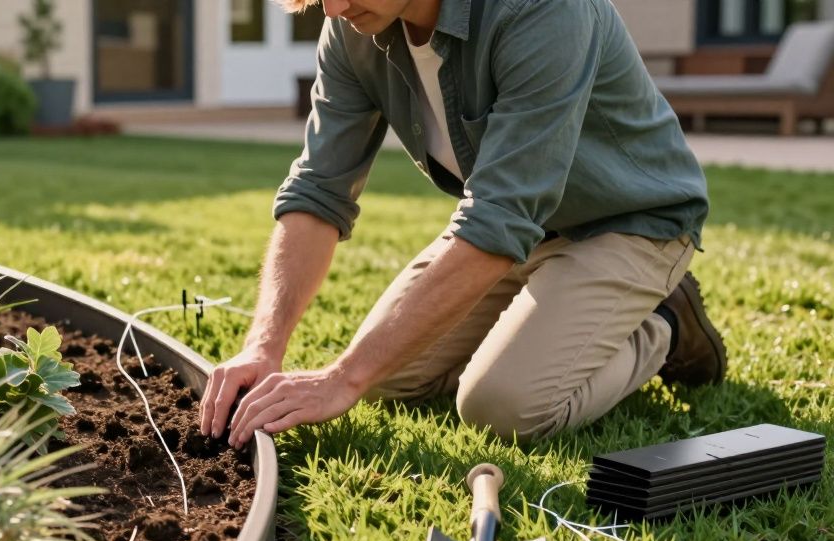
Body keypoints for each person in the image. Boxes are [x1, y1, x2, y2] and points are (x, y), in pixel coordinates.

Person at [198, 0, 727, 448]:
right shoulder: (352, 28)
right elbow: (319, 190)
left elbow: (499, 215)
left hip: (631, 221)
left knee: (502, 406)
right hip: (521, 232)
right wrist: (264, 346)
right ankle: (549, 321)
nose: (332, 8)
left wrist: (342, 378)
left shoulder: (542, 10)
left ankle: (666, 326)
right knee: (393, 379)